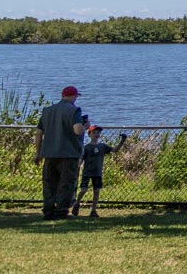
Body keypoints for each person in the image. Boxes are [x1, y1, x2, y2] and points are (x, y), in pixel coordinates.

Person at [35, 86, 87, 220]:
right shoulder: (74, 110)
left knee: (49, 183)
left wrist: (38, 152)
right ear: (72, 96)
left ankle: (48, 211)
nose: (76, 99)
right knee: (66, 183)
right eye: (76, 96)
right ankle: (62, 211)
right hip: (68, 154)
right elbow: (77, 130)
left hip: (49, 153)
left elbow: (39, 133)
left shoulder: (47, 111)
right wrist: (85, 126)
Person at [72, 125, 126, 218]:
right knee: (83, 190)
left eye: (98, 132)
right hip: (87, 173)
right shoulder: (87, 148)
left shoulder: (102, 146)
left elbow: (115, 150)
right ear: (89, 135)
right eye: (94, 132)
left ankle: (93, 210)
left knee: (96, 191)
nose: (96, 134)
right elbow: (81, 160)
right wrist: (76, 168)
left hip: (97, 173)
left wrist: (122, 141)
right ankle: (77, 203)